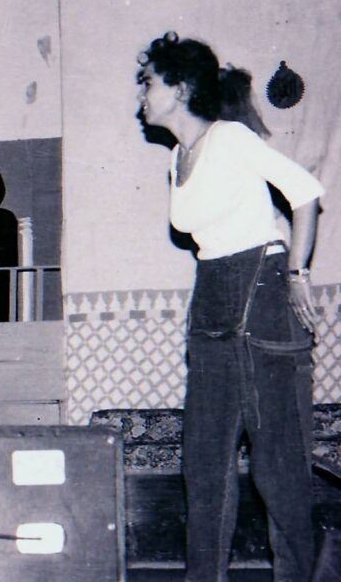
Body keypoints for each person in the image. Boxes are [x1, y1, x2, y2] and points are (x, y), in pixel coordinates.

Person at [137, 32, 324, 581]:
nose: (141, 95)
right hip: (212, 296)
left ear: (179, 88)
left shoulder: (230, 137)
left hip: (262, 291)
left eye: (149, 83)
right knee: (203, 465)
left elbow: (305, 192)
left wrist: (297, 272)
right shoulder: (177, 156)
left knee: (278, 467)